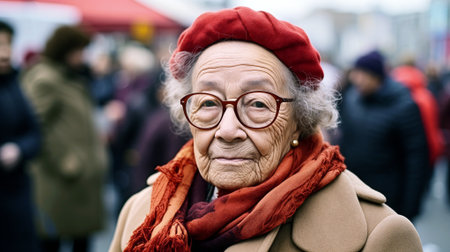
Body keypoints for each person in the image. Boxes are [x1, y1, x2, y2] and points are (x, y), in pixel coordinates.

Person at [109, 7, 422, 252]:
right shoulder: (141, 215)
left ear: (301, 119)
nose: (227, 131)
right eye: (208, 103)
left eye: (258, 104)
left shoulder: (378, 236)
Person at [21, 25, 108, 252]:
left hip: (77, 180)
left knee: (80, 239)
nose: (82, 57)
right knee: (52, 241)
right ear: (65, 50)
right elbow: (35, 127)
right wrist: (63, 160)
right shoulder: (46, 79)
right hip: (62, 180)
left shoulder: (69, 77)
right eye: (78, 51)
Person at [337, 50, 429, 222]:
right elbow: (345, 142)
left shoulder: (404, 105)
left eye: (362, 74)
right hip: (356, 193)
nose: (356, 79)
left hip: (390, 198)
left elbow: (417, 159)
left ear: (376, 76)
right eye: (355, 73)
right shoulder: (352, 99)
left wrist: (411, 206)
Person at [0, 20, 41, 252]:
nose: (5, 52)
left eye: (7, 45)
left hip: (15, 189)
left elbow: (34, 132)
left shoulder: (15, 83)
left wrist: (19, 149)